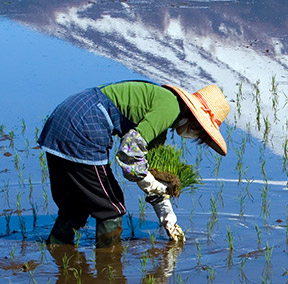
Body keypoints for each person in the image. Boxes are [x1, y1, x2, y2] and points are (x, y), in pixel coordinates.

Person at [38, 80, 230, 246]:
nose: (194, 135)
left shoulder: (162, 108)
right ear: (195, 121)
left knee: (77, 204)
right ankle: (109, 268)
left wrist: (168, 219)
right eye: (198, 131)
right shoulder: (169, 108)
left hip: (62, 120)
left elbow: (150, 172)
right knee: (111, 208)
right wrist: (147, 181)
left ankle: (58, 251)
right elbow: (129, 153)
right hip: (85, 126)